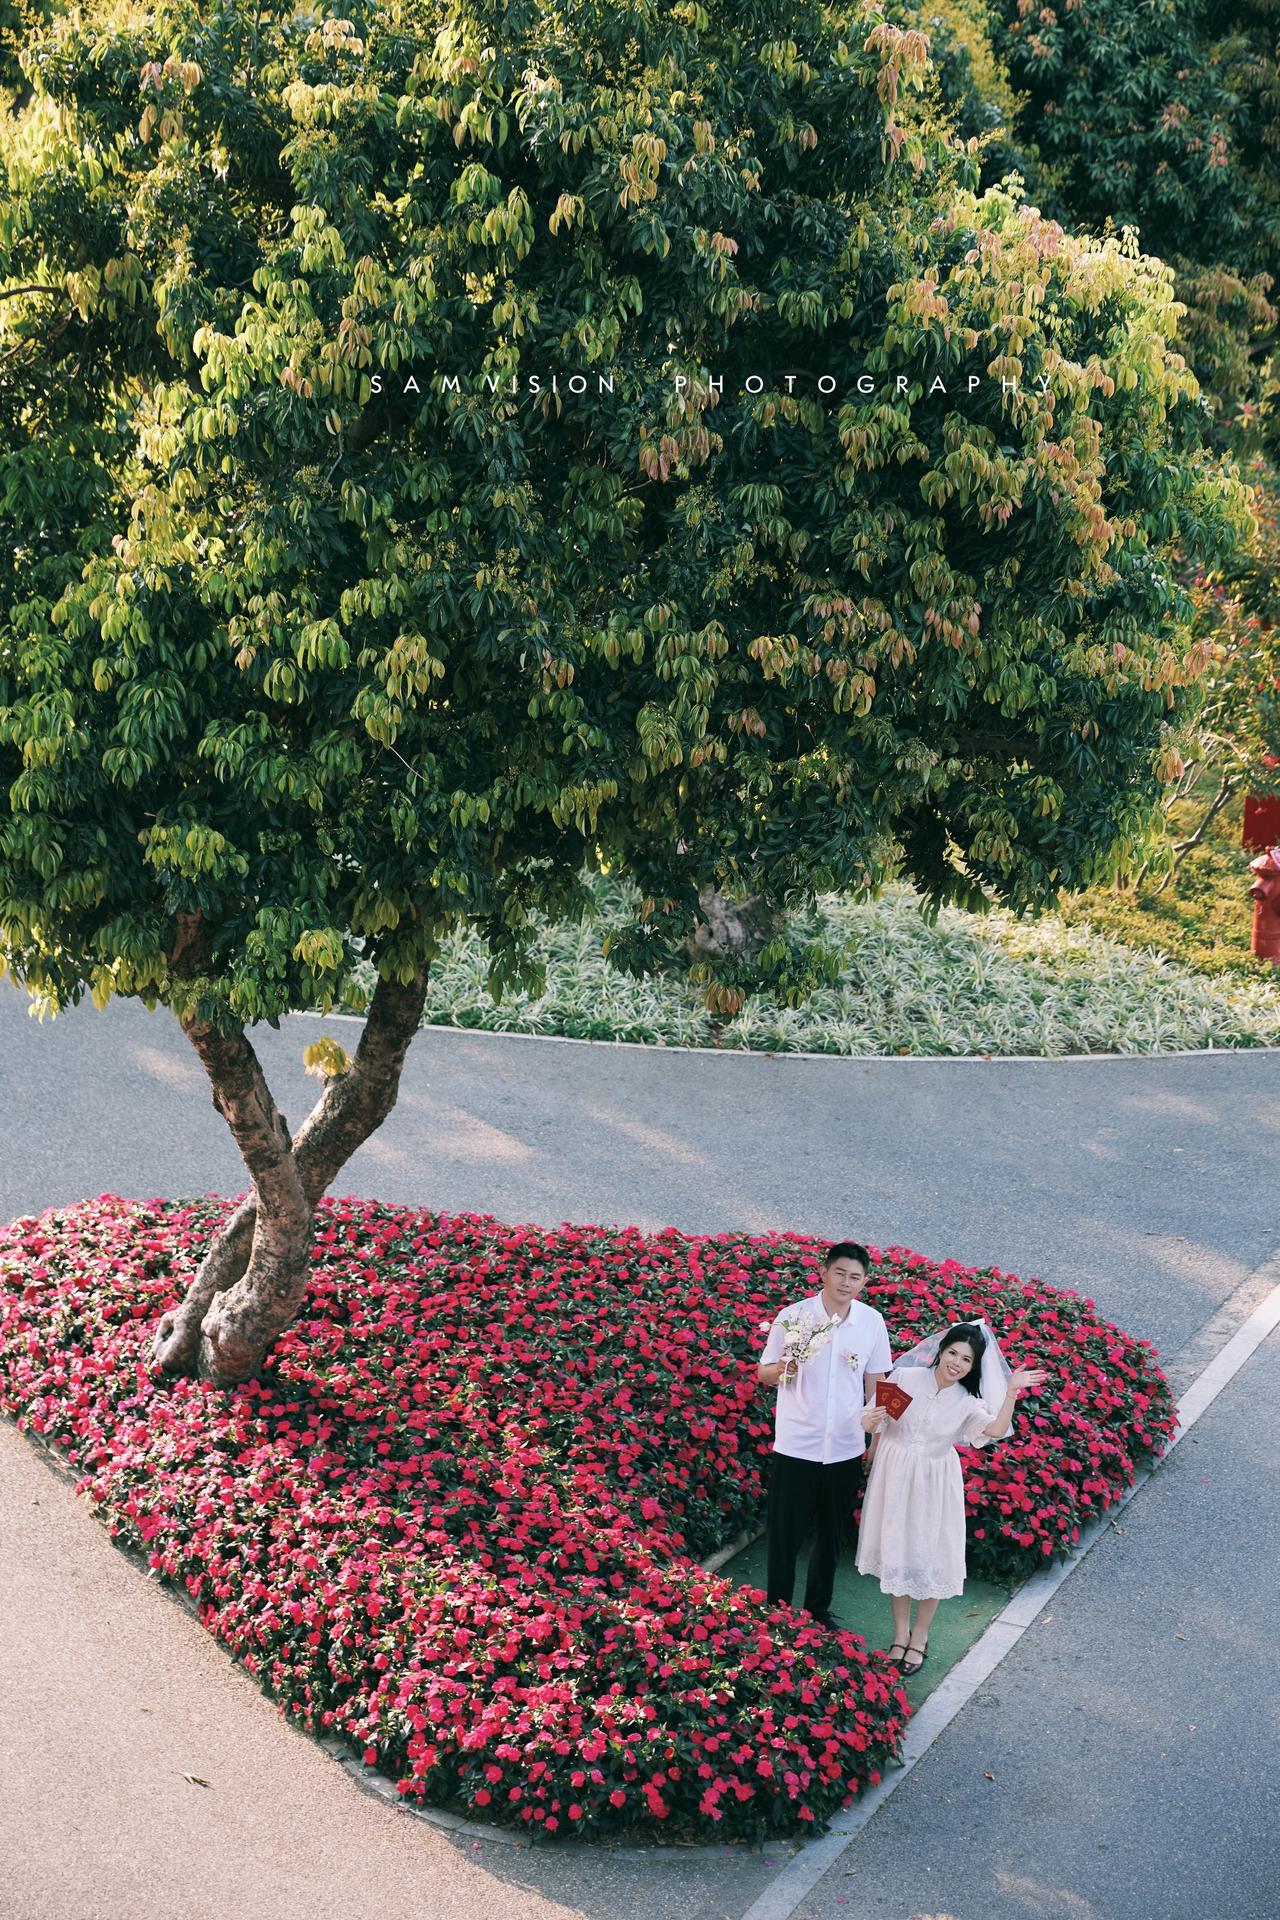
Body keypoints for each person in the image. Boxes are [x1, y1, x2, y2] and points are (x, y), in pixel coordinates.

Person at [856, 1319, 1048, 1673]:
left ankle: (920, 1637)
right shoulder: (906, 1378)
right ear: (941, 1351)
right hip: (893, 1475)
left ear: (973, 1367)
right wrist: (871, 1426)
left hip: (935, 1483)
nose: (956, 1363)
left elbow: (995, 1430)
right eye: (953, 1353)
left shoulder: (967, 1402)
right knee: (897, 1551)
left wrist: (1011, 1393)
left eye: (966, 1359)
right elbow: (873, 1422)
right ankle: (900, 1635)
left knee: (931, 1557)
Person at [756, 1241, 891, 1628]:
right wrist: (786, 1365)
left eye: (855, 1277)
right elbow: (764, 1373)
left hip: (846, 1447)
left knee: (831, 1535)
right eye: (840, 1273)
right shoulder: (793, 1317)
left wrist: (875, 1441)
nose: (846, 1282)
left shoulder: (871, 1322)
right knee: (785, 1534)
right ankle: (777, 1610)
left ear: (864, 1281)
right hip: (797, 1445)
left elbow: (878, 1383)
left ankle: (817, 1611)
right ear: (824, 1272)